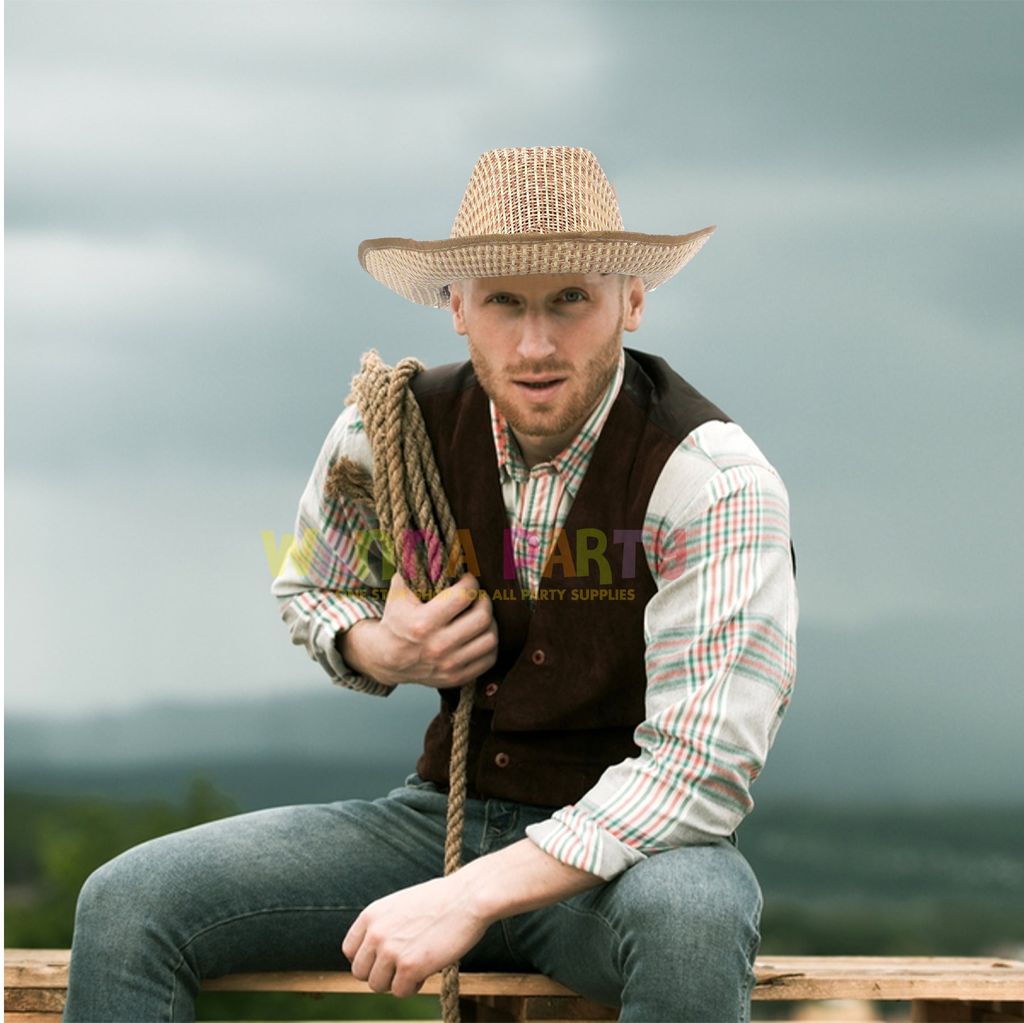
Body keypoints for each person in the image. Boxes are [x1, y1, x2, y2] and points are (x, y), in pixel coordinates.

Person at [63, 146, 798, 1023]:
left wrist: (468, 895)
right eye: (503, 301)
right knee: (129, 905)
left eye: (571, 298)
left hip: (629, 861)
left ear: (631, 300)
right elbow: (312, 587)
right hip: (439, 820)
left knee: (695, 919)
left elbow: (700, 768)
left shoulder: (714, 482)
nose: (535, 343)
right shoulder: (392, 427)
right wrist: (384, 646)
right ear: (456, 306)